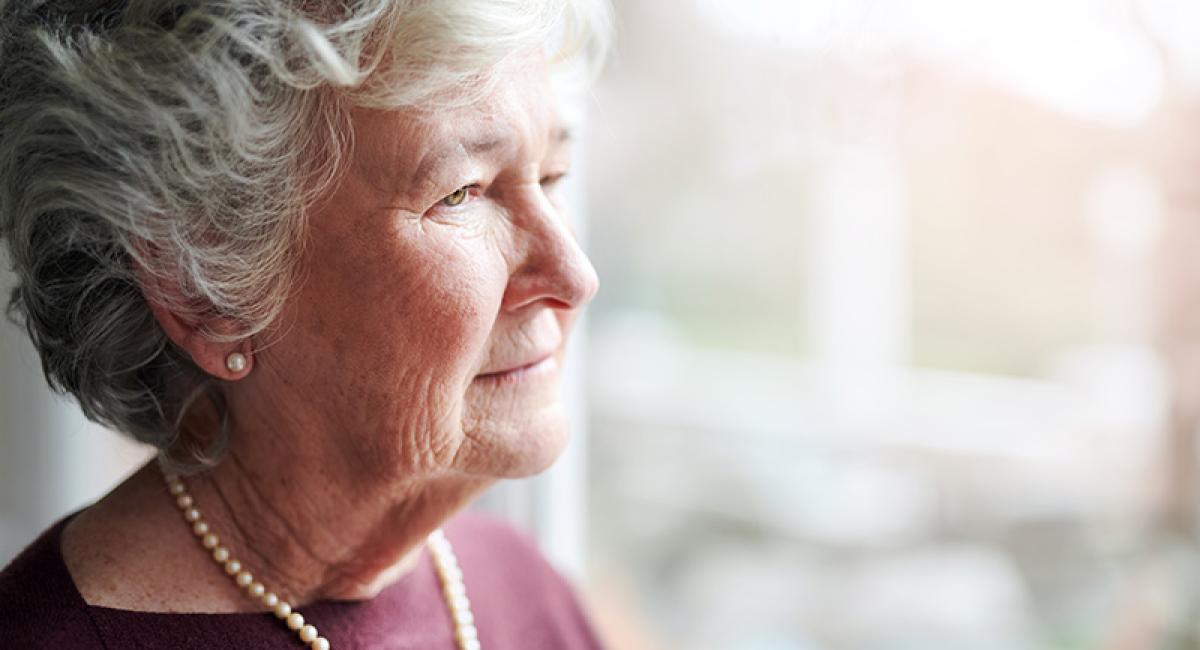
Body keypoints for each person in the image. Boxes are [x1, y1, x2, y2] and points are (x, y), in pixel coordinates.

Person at [0, 0, 610, 647]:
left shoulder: (519, 586)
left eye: (552, 173)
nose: (575, 276)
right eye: (461, 193)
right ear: (204, 293)